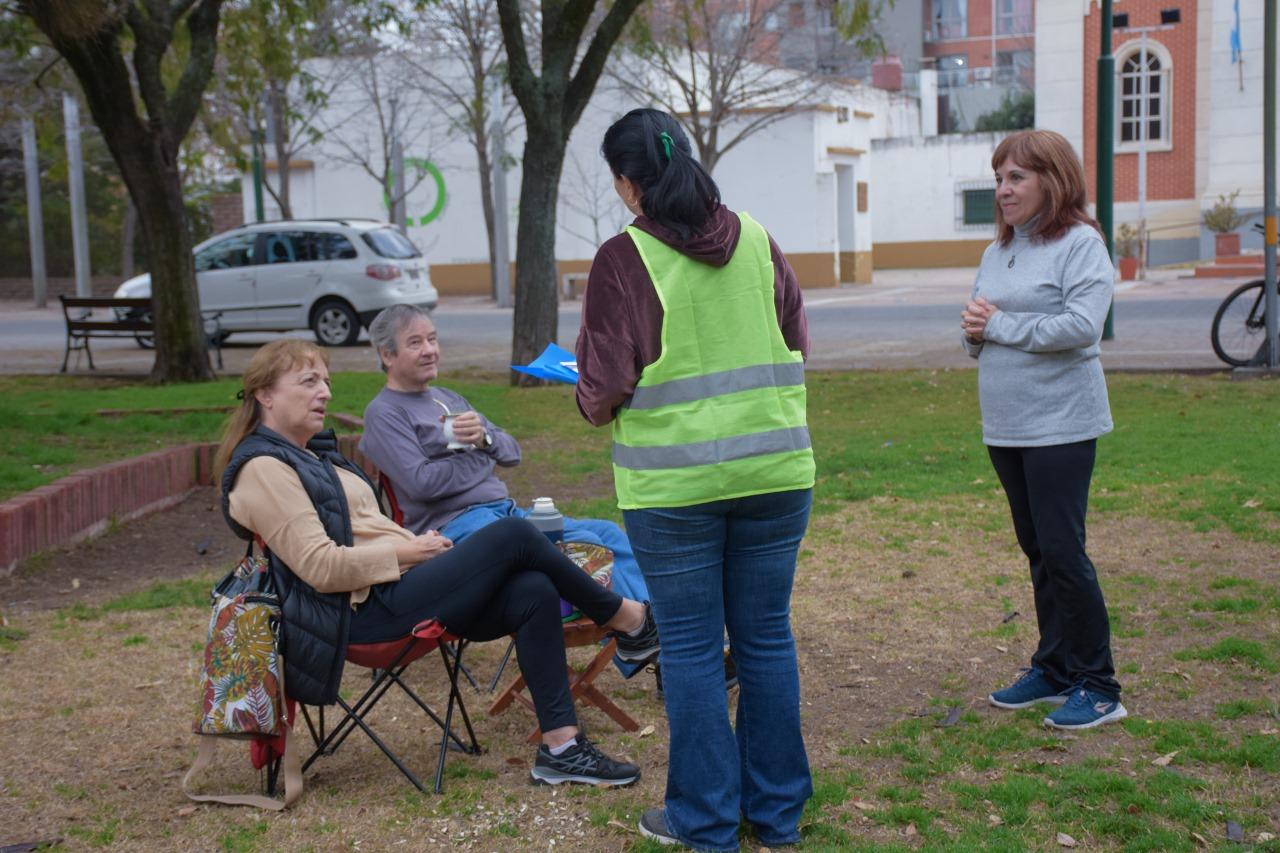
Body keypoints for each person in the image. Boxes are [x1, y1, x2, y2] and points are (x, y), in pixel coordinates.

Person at [214, 339, 660, 786]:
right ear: (265, 395)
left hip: (402, 586)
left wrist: (415, 547)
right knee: (514, 535)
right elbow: (321, 567)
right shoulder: (264, 468)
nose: (325, 393)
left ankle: (561, 748)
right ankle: (629, 619)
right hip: (358, 615)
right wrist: (408, 551)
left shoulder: (313, 453)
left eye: (326, 381)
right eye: (309, 381)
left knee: (532, 590)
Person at [575, 108, 815, 851]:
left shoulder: (623, 259)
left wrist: (585, 392)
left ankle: (704, 820)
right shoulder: (758, 240)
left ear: (626, 183)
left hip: (674, 489)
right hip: (776, 474)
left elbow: (603, 387)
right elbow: (795, 337)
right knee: (766, 638)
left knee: (689, 648)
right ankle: (776, 817)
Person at [357, 304, 736, 689]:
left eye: (433, 339)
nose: (430, 350)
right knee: (584, 547)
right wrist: (480, 460)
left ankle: (668, 648)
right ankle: (677, 659)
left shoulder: (448, 398)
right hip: (457, 531)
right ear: (387, 355)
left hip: (502, 513)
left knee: (608, 535)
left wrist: (484, 440)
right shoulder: (385, 414)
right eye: (415, 343)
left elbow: (510, 452)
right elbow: (422, 483)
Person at [961, 128, 1127, 731]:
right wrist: (976, 331)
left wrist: (999, 325)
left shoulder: (1080, 244)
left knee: (1063, 551)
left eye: (1016, 178)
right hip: (1006, 425)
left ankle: (1100, 684)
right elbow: (980, 327)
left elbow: (1082, 327)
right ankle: (1054, 668)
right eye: (999, 177)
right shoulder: (998, 250)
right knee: (1038, 552)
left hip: (1061, 424)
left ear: (1051, 181)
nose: (1003, 190)